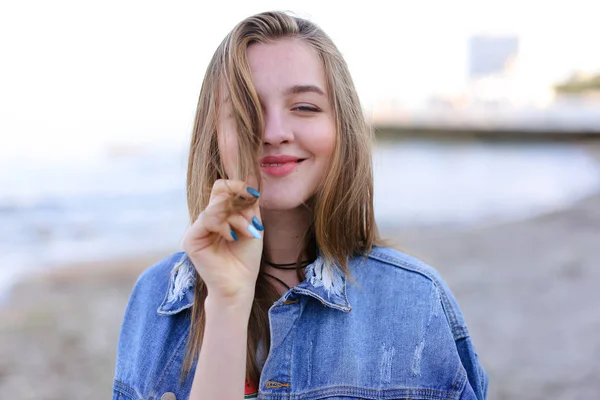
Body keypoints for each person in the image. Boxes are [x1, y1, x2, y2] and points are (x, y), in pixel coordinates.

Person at [112, 10, 488, 400]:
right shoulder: (155, 300)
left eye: (305, 107)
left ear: (342, 127)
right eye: (246, 111)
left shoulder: (415, 300)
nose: (274, 132)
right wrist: (226, 301)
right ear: (213, 137)